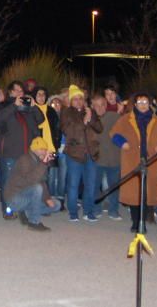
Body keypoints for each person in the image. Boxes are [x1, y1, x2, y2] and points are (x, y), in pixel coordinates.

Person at [110, 92, 157, 232]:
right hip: (132, 160)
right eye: (140, 102)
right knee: (134, 194)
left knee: (146, 193)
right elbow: (114, 134)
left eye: (145, 102)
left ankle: (142, 221)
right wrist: (123, 143)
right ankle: (135, 221)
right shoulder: (126, 119)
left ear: (149, 104)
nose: (143, 105)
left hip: (151, 161)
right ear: (135, 104)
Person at [0, 80, 45, 219]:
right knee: (7, 182)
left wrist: (33, 106)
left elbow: (40, 119)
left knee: (25, 182)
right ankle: (8, 210)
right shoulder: (3, 105)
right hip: (9, 152)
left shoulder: (27, 107)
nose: (20, 93)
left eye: (21, 91)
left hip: (26, 153)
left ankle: (22, 207)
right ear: (10, 92)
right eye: (16, 91)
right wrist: (14, 106)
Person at [59, 85, 103, 222]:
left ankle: (88, 211)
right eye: (75, 99)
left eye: (81, 98)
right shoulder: (66, 113)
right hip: (74, 154)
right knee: (73, 184)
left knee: (90, 184)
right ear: (71, 101)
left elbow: (99, 128)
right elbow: (69, 132)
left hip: (90, 153)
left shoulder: (90, 112)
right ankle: (73, 212)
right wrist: (84, 122)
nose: (78, 101)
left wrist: (91, 117)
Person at [4, 137, 62, 232]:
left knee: (56, 205)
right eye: (42, 149)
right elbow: (31, 180)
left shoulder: (39, 161)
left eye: (45, 149)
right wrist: (43, 163)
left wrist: (47, 199)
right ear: (35, 149)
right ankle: (34, 222)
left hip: (28, 196)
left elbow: (42, 181)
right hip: (15, 198)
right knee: (37, 188)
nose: (45, 151)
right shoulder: (25, 159)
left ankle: (26, 212)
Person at [93, 93, 123, 220]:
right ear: (92, 106)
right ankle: (96, 209)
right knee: (95, 186)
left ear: (106, 105)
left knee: (114, 187)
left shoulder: (115, 117)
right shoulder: (90, 119)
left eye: (102, 105)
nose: (100, 108)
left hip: (114, 159)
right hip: (97, 159)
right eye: (96, 105)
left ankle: (113, 210)